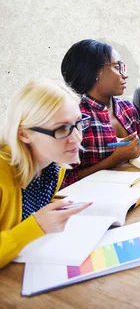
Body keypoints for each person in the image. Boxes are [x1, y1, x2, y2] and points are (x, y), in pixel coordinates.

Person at [0, 80, 93, 269]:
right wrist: (36, 227)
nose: (77, 138)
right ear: (24, 134)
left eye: (78, 123)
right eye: (61, 129)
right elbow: (30, 227)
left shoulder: (54, 165)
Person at [61, 39, 140, 186]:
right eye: (117, 67)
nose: (125, 75)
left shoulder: (128, 109)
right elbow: (63, 181)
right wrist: (113, 160)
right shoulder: (74, 118)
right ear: (93, 71)